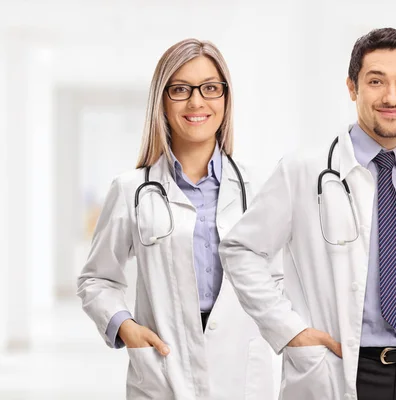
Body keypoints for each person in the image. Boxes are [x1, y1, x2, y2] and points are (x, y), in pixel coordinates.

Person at [219, 28, 396, 400]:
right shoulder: (302, 171)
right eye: (376, 81)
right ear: (352, 88)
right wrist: (288, 329)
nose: (392, 96)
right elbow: (240, 249)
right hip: (337, 368)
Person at [77, 38, 280, 400]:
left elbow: (277, 278)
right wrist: (125, 327)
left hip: (242, 368)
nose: (196, 101)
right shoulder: (130, 189)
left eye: (210, 88)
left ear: (225, 98)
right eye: (181, 89)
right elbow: (96, 279)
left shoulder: (261, 186)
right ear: (162, 101)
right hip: (163, 368)